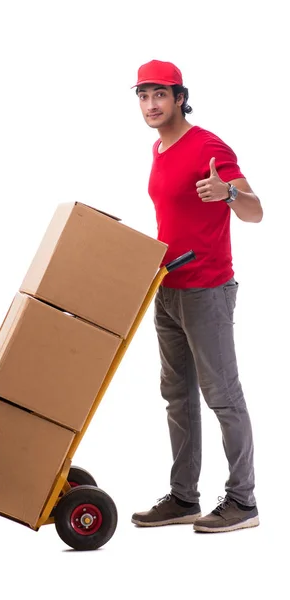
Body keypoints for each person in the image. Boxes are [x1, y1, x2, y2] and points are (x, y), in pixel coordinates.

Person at [130, 59, 263, 533]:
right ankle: (185, 497)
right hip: (167, 288)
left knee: (222, 396)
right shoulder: (158, 148)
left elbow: (255, 212)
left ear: (180, 97)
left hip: (207, 289)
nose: (151, 104)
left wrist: (227, 192)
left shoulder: (208, 145)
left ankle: (243, 501)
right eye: (144, 96)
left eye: (160, 95)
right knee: (176, 396)